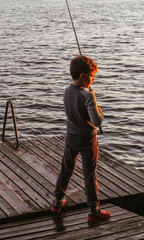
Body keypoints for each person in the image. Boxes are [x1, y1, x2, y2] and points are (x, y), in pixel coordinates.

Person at [51, 55, 111, 221]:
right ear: (83, 76)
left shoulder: (67, 91)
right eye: (91, 76)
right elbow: (97, 121)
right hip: (87, 140)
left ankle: (57, 202)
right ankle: (93, 210)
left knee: (66, 169)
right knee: (89, 174)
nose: (93, 79)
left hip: (71, 137)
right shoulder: (88, 96)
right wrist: (95, 101)